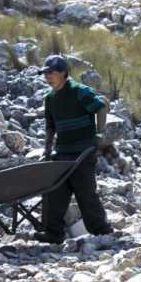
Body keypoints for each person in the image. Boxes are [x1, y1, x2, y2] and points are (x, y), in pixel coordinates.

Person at [37, 55, 113, 244]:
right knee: (54, 192)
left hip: (82, 151)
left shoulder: (79, 91)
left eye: (51, 73)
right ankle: (53, 234)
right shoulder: (50, 98)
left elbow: (101, 107)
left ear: (63, 72)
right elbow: (50, 126)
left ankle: (102, 231)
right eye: (45, 74)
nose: (48, 77)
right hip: (61, 151)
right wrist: (47, 148)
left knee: (85, 192)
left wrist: (99, 133)